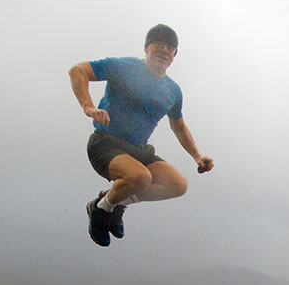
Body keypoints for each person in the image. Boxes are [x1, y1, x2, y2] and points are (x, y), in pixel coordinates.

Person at [69, 24, 213, 247]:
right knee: (141, 177)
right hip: (105, 144)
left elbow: (179, 126)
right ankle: (100, 208)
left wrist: (197, 157)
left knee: (178, 185)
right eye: (159, 44)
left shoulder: (172, 91)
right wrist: (88, 107)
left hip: (138, 150)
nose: (164, 50)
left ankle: (116, 203)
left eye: (171, 48)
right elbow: (78, 71)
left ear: (174, 56)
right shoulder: (124, 67)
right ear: (146, 47)